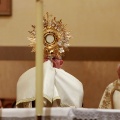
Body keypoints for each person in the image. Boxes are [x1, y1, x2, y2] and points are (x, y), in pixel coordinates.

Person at [16, 13, 84, 108]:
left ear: (61, 63)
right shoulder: (26, 78)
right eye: (46, 58)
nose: (50, 62)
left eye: (54, 58)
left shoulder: (73, 83)